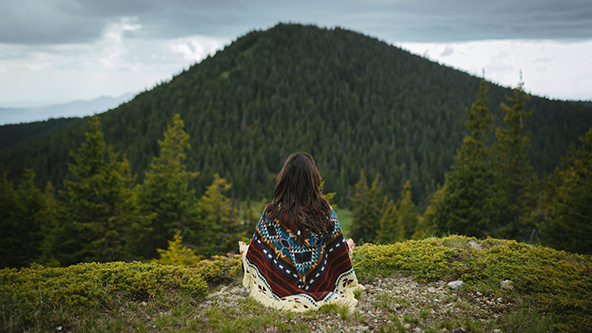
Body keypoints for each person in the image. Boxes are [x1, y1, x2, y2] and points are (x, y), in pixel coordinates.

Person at [239, 152, 364, 312]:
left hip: (282, 285)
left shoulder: (273, 212)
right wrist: (346, 247)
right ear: (313, 180)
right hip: (321, 284)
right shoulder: (324, 211)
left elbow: (260, 254)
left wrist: (246, 251)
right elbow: (335, 253)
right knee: (346, 244)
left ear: (284, 180)